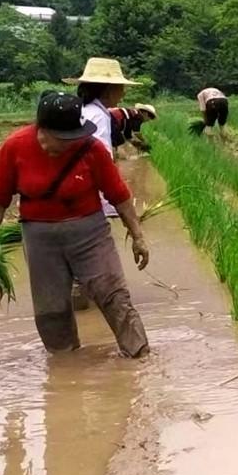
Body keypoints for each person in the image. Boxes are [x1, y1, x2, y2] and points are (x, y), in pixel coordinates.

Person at [0, 91, 151, 358]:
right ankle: (65, 367)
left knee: (113, 295)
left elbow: (118, 194)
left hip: (90, 233)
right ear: (41, 128)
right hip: (40, 238)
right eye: (54, 138)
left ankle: (140, 357)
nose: (60, 146)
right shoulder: (14, 147)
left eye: (67, 139)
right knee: (51, 310)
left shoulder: (90, 148)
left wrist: (138, 236)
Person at [65, 58, 156, 310]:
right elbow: (100, 162)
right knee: (95, 260)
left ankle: (78, 313)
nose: (124, 91)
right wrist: (112, 206)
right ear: (107, 89)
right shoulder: (99, 116)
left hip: (66, 197)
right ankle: (92, 313)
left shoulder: (79, 110)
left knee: (74, 257)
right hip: (86, 198)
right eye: (120, 86)